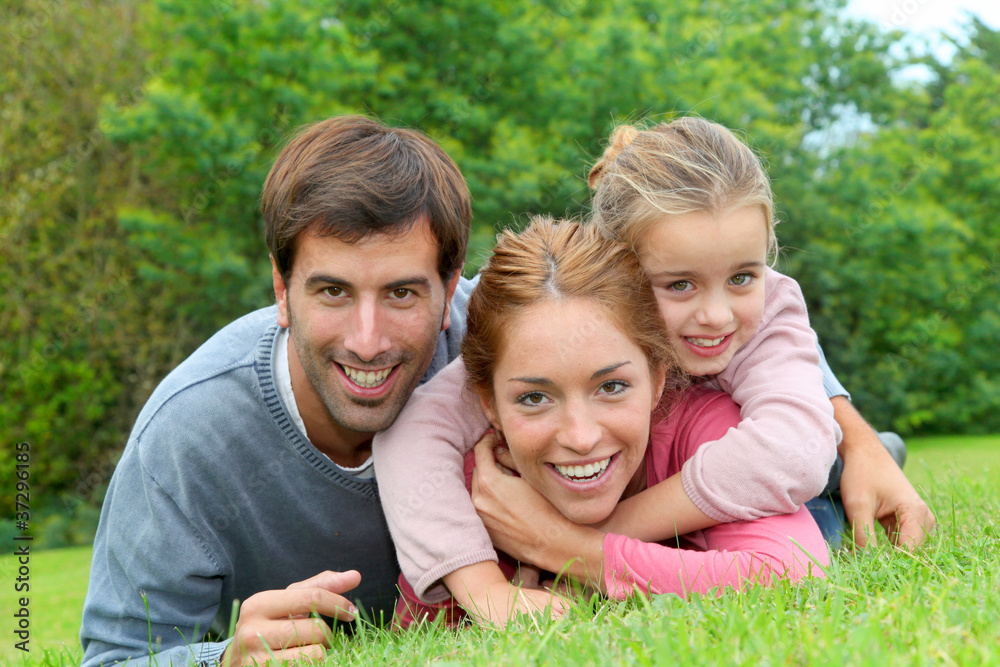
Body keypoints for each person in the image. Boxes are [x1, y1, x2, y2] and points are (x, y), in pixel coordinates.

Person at [372, 116, 934, 624]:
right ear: (622, 272)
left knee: (821, 493)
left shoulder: (770, 310)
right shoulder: (566, 317)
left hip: (792, 468)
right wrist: (482, 585)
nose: (714, 315)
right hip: (701, 464)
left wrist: (574, 539)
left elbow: (793, 452)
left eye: (743, 276)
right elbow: (416, 433)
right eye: (679, 285)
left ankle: (865, 455)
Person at [80, 115, 475, 667]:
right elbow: (115, 658)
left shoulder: (512, 343)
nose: (367, 342)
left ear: (450, 286)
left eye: (402, 292)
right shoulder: (188, 434)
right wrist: (222, 660)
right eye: (333, 291)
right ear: (281, 290)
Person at [394, 217, 829, 628]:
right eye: (534, 397)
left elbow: (794, 578)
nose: (580, 438)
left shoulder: (714, 432)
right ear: (487, 403)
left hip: (813, 470)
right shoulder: (473, 488)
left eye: (612, 387)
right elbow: (419, 641)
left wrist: (572, 550)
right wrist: (488, 593)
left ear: (659, 377)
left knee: (833, 501)